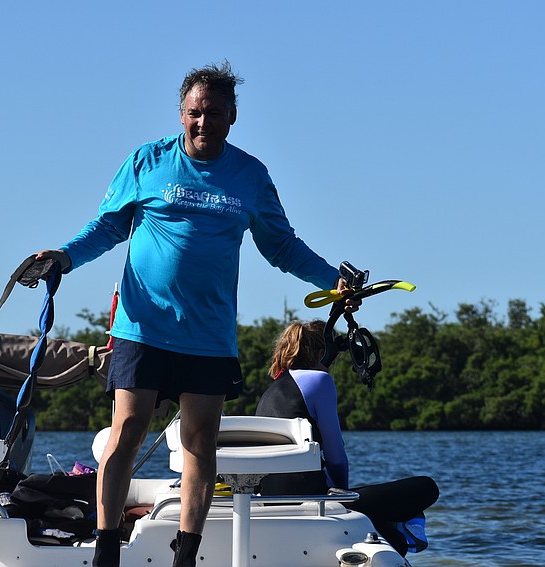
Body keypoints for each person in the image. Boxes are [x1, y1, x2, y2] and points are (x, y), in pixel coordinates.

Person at [35, 61, 357, 567]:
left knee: (200, 441)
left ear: (232, 116)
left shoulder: (251, 176)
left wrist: (331, 283)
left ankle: (186, 555)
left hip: (207, 335)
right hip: (142, 324)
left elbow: (282, 247)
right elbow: (107, 227)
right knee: (128, 429)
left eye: (212, 113)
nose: (201, 122)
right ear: (180, 114)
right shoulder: (148, 160)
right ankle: (106, 551)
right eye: (193, 113)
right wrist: (64, 257)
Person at [256, 319, 439, 556]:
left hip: (271, 504)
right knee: (426, 488)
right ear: (322, 353)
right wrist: (345, 503)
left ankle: (397, 528)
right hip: (315, 504)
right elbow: (336, 457)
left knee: (393, 537)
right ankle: (405, 524)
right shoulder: (319, 380)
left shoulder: (270, 391)